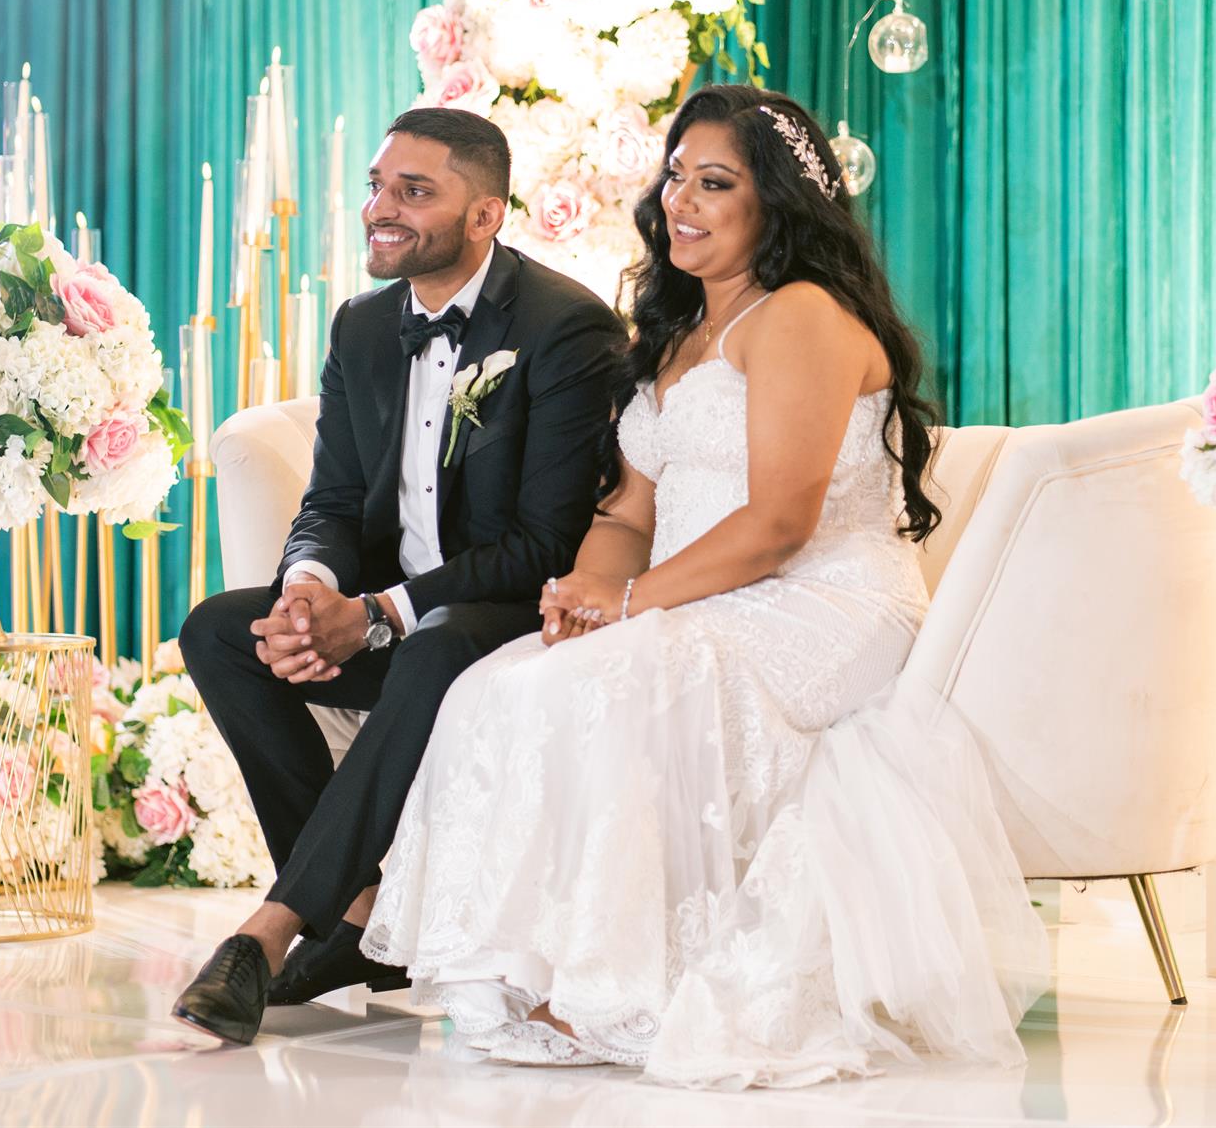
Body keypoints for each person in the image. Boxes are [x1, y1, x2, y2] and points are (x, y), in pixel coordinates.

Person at [361, 85, 1048, 1088]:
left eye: (715, 183)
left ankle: (616, 985)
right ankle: (534, 965)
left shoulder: (801, 315)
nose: (681, 200)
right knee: (500, 681)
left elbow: (780, 523)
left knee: (613, 684)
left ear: (777, 202)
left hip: (823, 597)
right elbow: (627, 517)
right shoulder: (676, 329)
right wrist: (584, 592)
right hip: (699, 594)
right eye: (677, 175)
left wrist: (629, 606)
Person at [171, 107, 624, 1045]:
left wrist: (380, 614)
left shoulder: (566, 326)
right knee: (219, 629)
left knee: (437, 645)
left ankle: (272, 928)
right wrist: (307, 589)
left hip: (513, 615)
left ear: (486, 214)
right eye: (378, 186)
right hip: (393, 613)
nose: (382, 207)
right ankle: (362, 916)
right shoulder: (364, 325)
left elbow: (547, 541)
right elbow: (334, 498)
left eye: (415, 192)